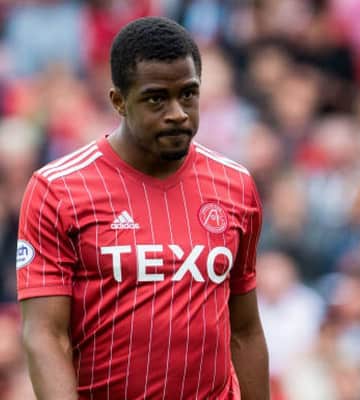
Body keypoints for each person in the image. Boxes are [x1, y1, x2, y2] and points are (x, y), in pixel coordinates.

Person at [16, 16, 269, 400]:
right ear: (118, 101)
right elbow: (45, 335)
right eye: (156, 98)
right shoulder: (58, 190)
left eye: (188, 94)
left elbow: (245, 331)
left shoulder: (236, 186)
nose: (178, 112)